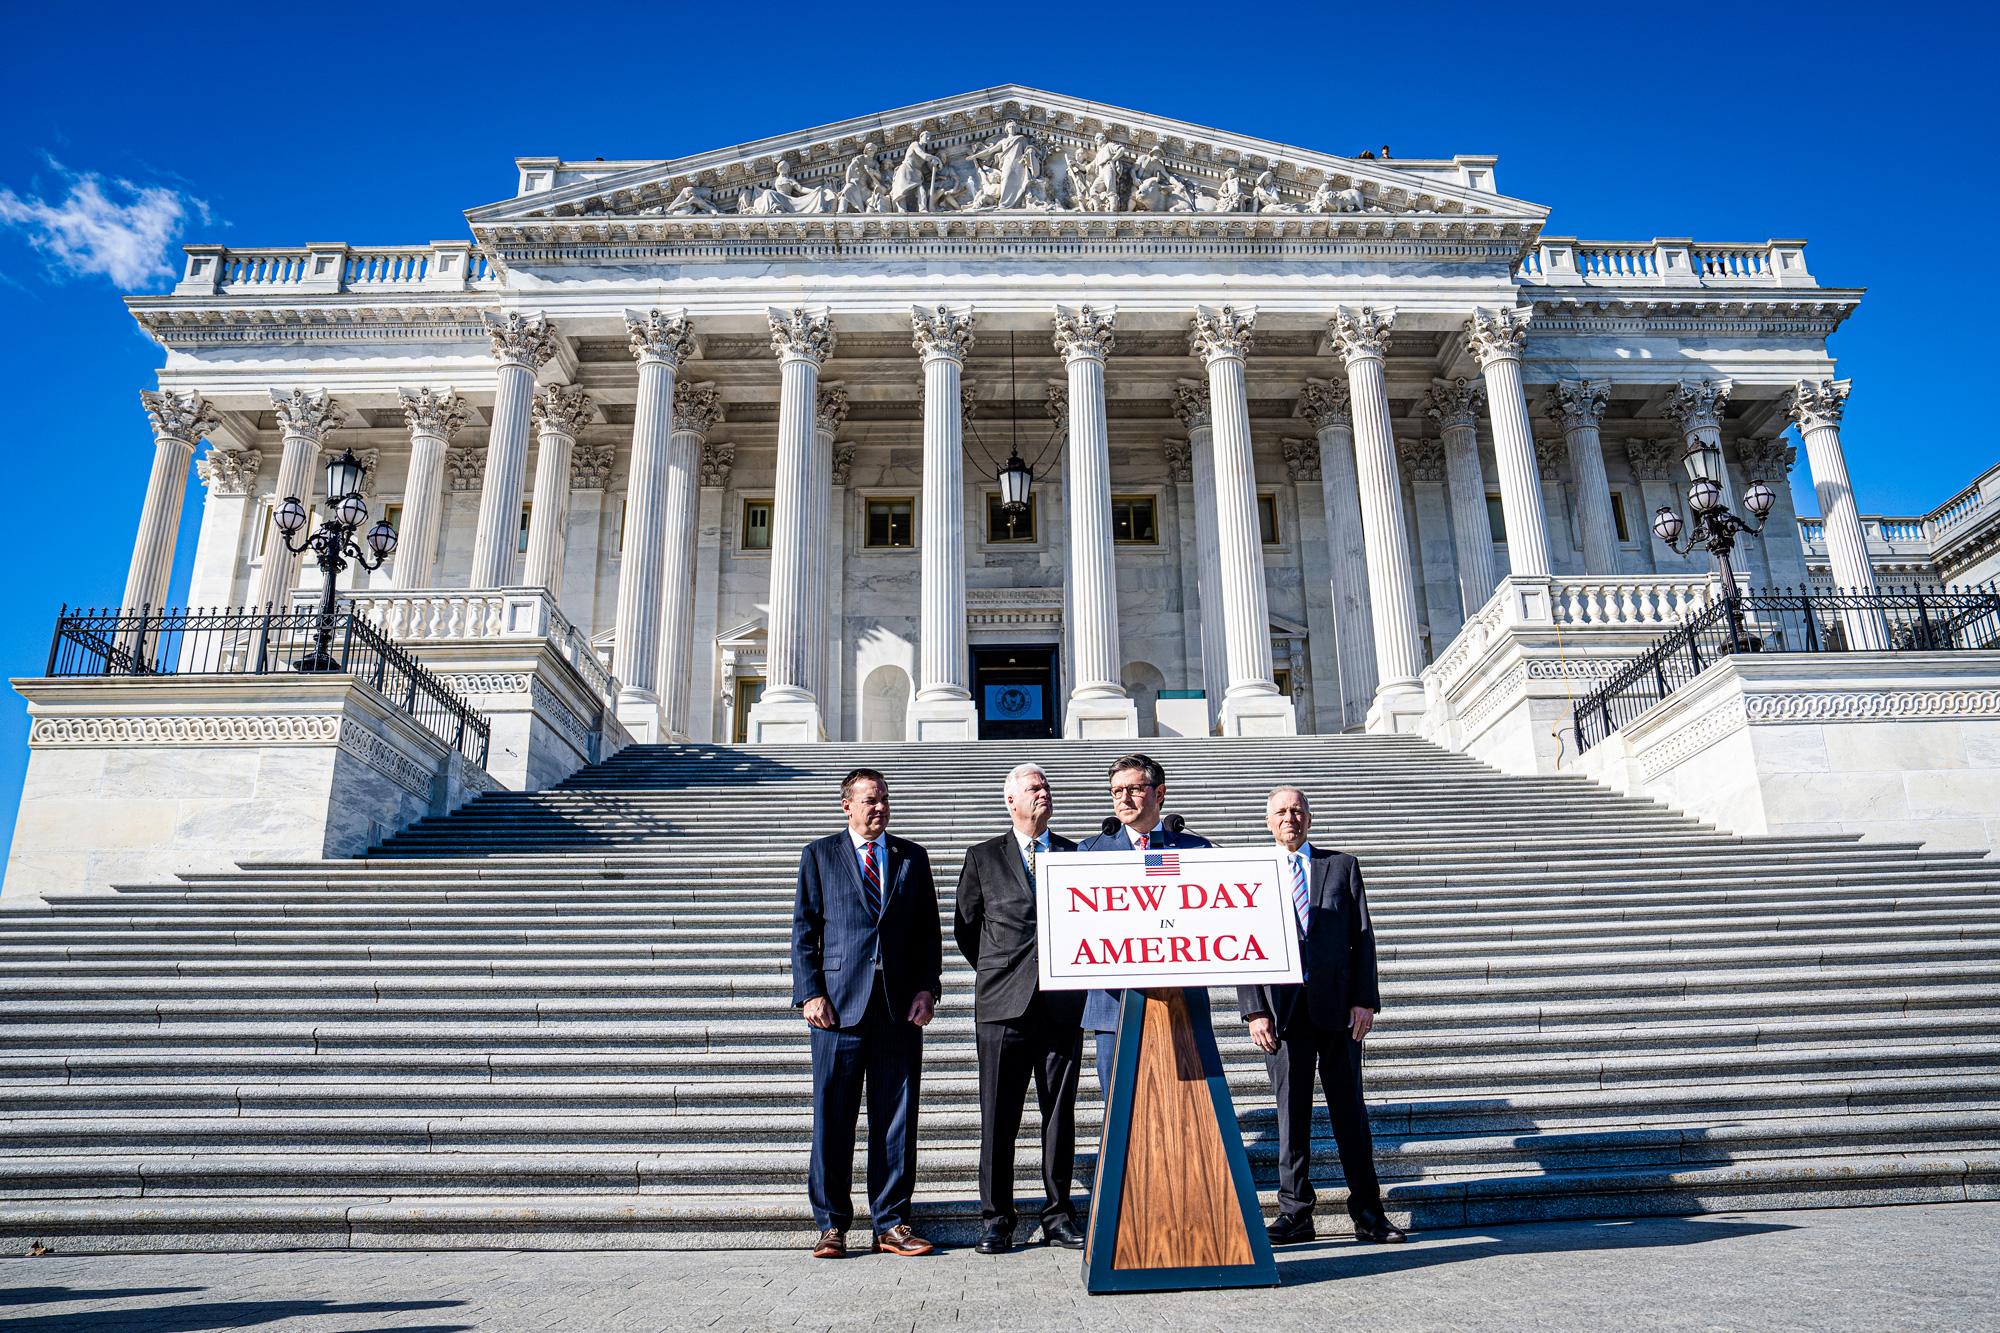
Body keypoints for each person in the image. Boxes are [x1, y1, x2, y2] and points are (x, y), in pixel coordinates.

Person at [1236, 786, 1405, 1245]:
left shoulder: (1342, 866)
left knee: (1350, 1113)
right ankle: (1295, 1214)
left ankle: (1369, 1213)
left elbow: (1362, 936)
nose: (1289, 818)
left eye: (1297, 810)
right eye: (1280, 812)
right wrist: (1254, 1009)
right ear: (1267, 821)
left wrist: (1365, 1000)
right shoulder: (1251, 872)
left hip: (1339, 1012)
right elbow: (1241, 944)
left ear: (1309, 817)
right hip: (1282, 1017)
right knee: (1291, 1117)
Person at [791, 767, 943, 1259]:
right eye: (869, 801)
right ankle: (832, 1224)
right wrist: (810, 993)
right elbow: (804, 931)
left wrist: (928, 989)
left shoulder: (911, 858)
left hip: (898, 1008)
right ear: (846, 806)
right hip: (837, 1009)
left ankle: (892, 1222)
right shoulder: (819, 856)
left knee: (896, 1120)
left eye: (884, 800)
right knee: (832, 1118)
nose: (879, 808)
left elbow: (928, 934)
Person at [953, 762, 1085, 1254]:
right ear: (1011, 801)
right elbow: (967, 928)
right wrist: (1003, 967)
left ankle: (1057, 1214)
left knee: (1059, 1115)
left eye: (1046, 786)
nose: (1043, 794)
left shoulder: (1075, 854)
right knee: (999, 1116)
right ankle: (996, 1219)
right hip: (1002, 1006)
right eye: (1033, 788)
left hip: (1061, 1006)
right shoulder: (983, 856)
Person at [1076, 753, 1211, 1090]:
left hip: (1181, 999)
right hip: (1114, 1002)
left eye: (1134, 789)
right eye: (1116, 791)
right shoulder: (1090, 852)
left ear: (1159, 793)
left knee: (1186, 1103)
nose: (1123, 798)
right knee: (1119, 1104)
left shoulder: (1196, 849)